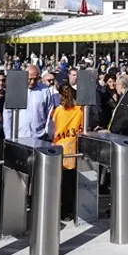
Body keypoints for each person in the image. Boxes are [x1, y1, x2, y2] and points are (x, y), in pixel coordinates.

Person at [48, 84, 83, 221]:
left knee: (60, 184)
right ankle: (70, 211)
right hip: (73, 148)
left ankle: (61, 210)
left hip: (59, 148)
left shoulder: (57, 111)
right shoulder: (79, 111)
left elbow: (51, 128)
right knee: (71, 183)